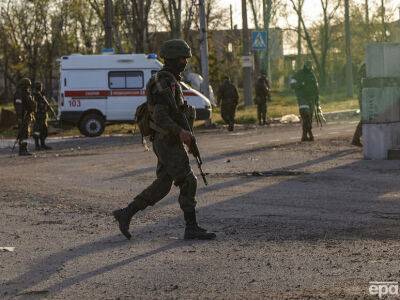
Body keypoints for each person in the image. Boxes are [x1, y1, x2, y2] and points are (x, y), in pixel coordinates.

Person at [113, 39, 216, 241]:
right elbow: (160, 115)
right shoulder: (164, 82)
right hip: (167, 140)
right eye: (182, 58)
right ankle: (191, 227)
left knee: (163, 185)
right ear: (172, 58)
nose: (185, 62)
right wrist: (180, 132)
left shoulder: (169, 80)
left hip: (166, 139)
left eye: (186, 58)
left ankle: (126, 213)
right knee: (188, 180)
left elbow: (174, 112)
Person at [290, 60, 319, 142]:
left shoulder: (312, 74)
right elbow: (292, 84)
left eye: (311, 66)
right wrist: (301, 84)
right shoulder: (298, 74)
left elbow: (316, 87)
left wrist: (317, 99)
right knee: (305, 116)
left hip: (311, 99)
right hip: (302, 98)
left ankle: (305, 136)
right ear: (306, 66)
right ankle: (309, 134)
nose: (310, 67)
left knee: (309, 118)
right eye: (309, 65)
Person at [13, 78, 36, 156]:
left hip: (27, 116)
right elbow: (18, 106)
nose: (28, 87)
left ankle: (25, 149)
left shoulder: (27, 93)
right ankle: (22, 150)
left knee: (26, 133)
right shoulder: (19, 94)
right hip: (23, 116)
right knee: (22, 133)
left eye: (28, 86)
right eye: (27, 85)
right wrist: (19, 117)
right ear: (23, 85)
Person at [33, 81, 52, 150]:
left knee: (44, 131)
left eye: (41, 86)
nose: (40, 88)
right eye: (39, 86)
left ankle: (43, 144)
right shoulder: (35, 95)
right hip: (38, 116)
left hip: (43, 116)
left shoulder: (41, 95)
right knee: (37, 131)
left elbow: (45, 104)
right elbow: (35, 106)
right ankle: (37, 146)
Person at [351, 63, 366, 147]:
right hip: (364, 96)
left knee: (367, 118)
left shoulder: (365, 66)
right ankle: (356, 138)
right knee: (366, 117)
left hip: (364, 95)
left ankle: (356, 138)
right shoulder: (366, 67)